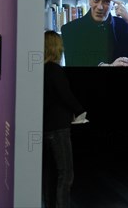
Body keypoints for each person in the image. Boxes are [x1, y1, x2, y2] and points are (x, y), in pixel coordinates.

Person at [42, 31, 86, 208]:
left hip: (45, 126)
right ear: (56, 48)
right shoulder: (55, 70)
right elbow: (66, 96)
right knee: (66, 173)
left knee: (50, 174)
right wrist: (81, 110)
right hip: (59, 128)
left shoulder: (41, 70)